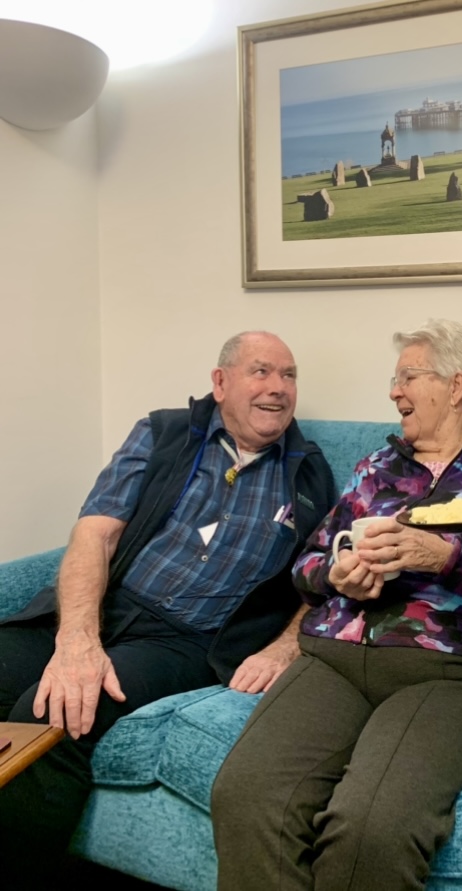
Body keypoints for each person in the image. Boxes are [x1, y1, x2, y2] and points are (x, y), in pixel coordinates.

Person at [211, 319, 462, 891]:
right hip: (336, 656)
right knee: (247, 791)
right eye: (395, 378)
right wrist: (338, 574)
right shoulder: (376, 470)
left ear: (455, 386)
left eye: (408, 376)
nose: (394, 391)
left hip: (459, 672)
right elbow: (307, 566)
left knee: (369, 825)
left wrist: (444, 558)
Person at [0, 331, 336, 889]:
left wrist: (284, 645)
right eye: (261, 372)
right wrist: (78, 638)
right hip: (108, 607)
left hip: (184, 641)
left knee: (52, 710)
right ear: (220, 381)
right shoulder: (165, 433)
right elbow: (94, 534)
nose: (278, 389)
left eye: (289, 375)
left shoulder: (308, 474)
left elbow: (318, 583)